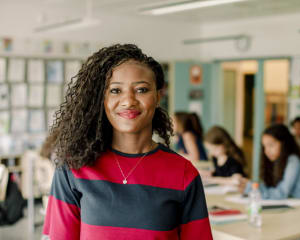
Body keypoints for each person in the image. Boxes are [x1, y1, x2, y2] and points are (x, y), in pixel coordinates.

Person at [42, 44, 212, 240]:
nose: (128, 101)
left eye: (141, 89)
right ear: (101, 99)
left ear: (158, 97)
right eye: (115, 90)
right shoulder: (73, 168)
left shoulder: (184, 174)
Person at [238, 124, 300, 201]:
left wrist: (251, 188)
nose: (266, 151)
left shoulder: (293, 161)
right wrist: (252, 186)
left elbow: (281, 193)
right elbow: (269, 187)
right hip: (295, 206)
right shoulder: (275, 160)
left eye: (271, 145)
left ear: (284, 144)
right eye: (264, 146)